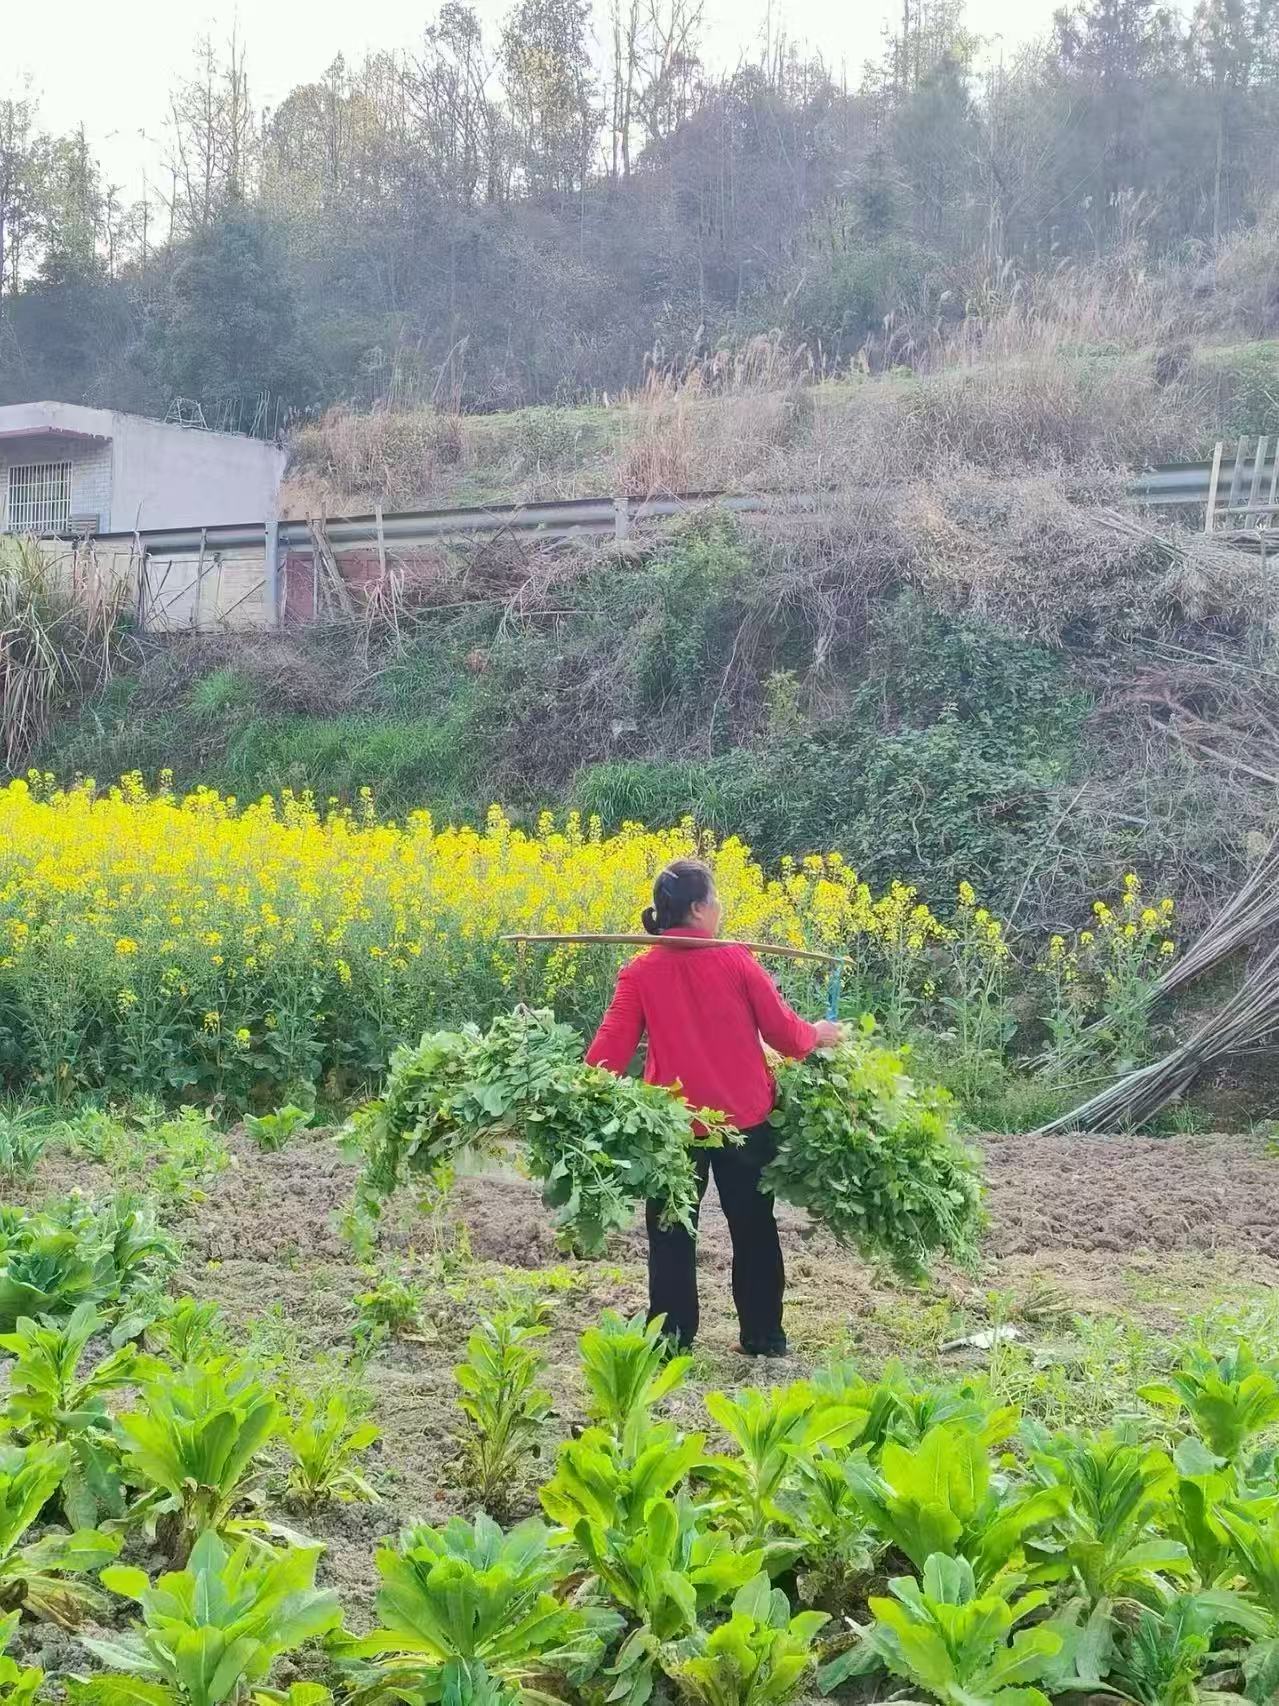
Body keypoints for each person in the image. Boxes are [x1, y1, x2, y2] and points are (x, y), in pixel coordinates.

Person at [585, 858, 842, 1356]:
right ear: (700, 909)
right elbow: (786, 1037)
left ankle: (672, 1339)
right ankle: (763, 1336)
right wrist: (820, 1034)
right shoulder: (736, 960)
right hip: (743, 1120)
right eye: (716, 898)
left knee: (671, 1232)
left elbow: (605, 1057)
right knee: (754, 1228)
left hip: (673, 1126)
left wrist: (574, 1085)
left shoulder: (640, 972)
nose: (720, 907)